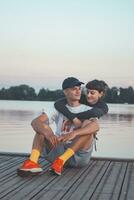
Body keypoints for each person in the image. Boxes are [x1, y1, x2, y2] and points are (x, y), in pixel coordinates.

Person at [17, 77, 100, 176]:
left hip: (78, 155)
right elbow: (35, 122)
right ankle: (32, 163)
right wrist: (48, 133)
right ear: (65, 92)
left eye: (79, 88)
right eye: (74, 89)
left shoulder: (88, 109)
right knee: (41, 129)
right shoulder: (57, 108)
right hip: (59, 149)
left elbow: (96, 126)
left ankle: (61, 161)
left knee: (89, 129)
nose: (78, 91)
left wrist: (73, 133)